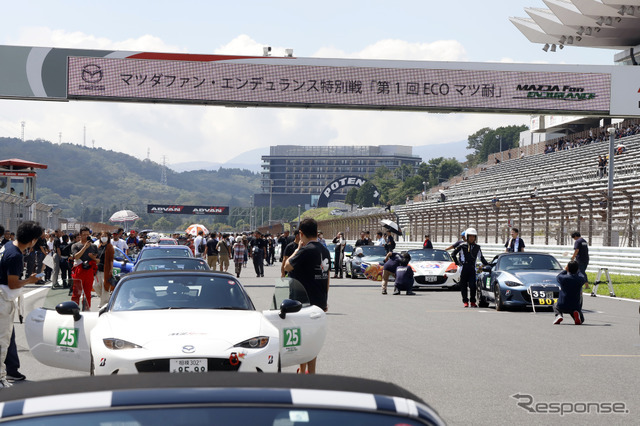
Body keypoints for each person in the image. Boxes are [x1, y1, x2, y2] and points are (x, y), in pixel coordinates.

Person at [284, 218, 330, 374]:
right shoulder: (325, 250)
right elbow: (327, 276)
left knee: (303, 341)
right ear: (317, 232)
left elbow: (287, 266)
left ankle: (309, 374)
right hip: (319, 301)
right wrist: (325, 299)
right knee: (312, 340)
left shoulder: (305, 250)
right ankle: (306, 370)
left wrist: (297, 249)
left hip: (302, 303)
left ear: (301, 233)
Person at [0, 221, 43, 388]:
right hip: (3, 301)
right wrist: (30, 280)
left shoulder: (8, 246)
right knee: (2, 341)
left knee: (7, 338)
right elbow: (12, 283)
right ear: (32, 240)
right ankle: (1, 377)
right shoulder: (16, 255)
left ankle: (11, 370)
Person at [452, 228, 488, 308]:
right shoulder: (462, 246)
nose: (472, 238)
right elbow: (453, 254)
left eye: (473, 236)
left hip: (472, 268)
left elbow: (481, 258)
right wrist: (458, 263)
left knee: (473, 286)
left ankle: (472, 301)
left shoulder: (477, 247)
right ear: (467, 237)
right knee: (463, 285)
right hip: (464, 268)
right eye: (470, 236)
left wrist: (488, 265)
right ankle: (465, 301)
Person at [71, 226, 98, 310]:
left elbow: (97, 259)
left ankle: (86, 309)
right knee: (76, 293)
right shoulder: (75, 245)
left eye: (87, 234)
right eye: (84, 235)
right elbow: (76, 256)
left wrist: (93, 258)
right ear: (80, 235)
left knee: (87, 293)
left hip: (89, 270)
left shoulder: (94, 246)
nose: (86, 236)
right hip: (79, 270)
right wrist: (85, 247)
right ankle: (74, 310)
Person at [553, 261, 586, 325]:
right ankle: (576, 315)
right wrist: (578, 270)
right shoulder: (580, 279)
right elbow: (582, 276)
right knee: (581, 318)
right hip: (575, 305)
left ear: (567, 268)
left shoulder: (563, 278)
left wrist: (565, 270)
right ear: (577, 269)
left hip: (562, 304)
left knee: (555, 305)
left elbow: (558, 276)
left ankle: (558, 315)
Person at [95, 232, 115, 307]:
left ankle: (104, 303)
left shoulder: (110, 247)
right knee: (95, 285)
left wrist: (111, 269)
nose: (103, 237)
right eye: (102, 236)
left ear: (108, 237)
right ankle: (105, 299)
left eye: (105, 236)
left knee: (105, 286)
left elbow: (111, 260)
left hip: (106, 270)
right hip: (98, 269)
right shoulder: (99, 246)